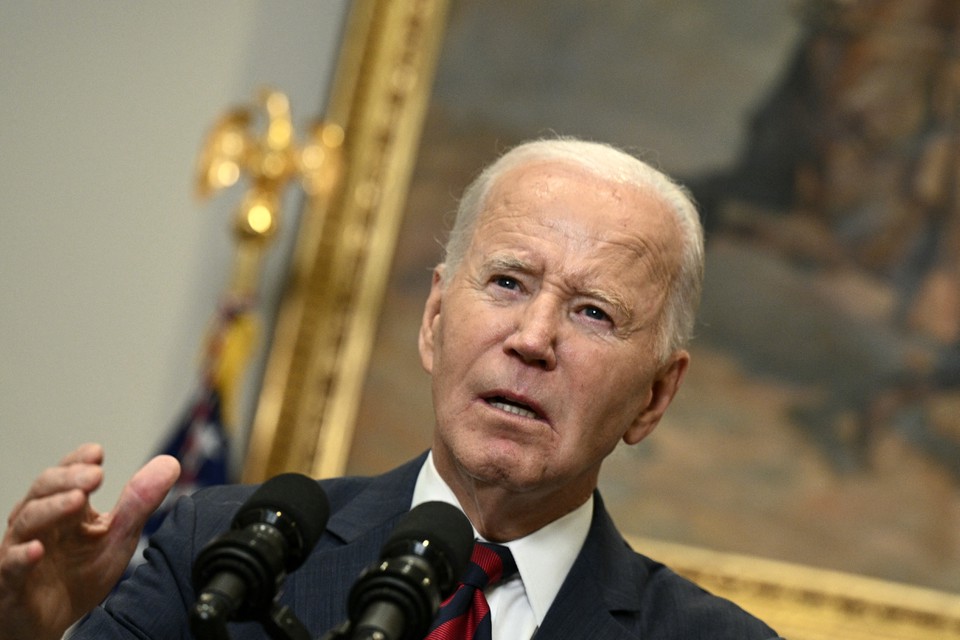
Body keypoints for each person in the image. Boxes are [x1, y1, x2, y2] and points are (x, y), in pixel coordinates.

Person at [0, 138, 781, 639]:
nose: (533, 338)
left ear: (654, 397)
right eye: (508, 282)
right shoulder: (222, 550)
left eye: (593, 312)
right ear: (436, 319)